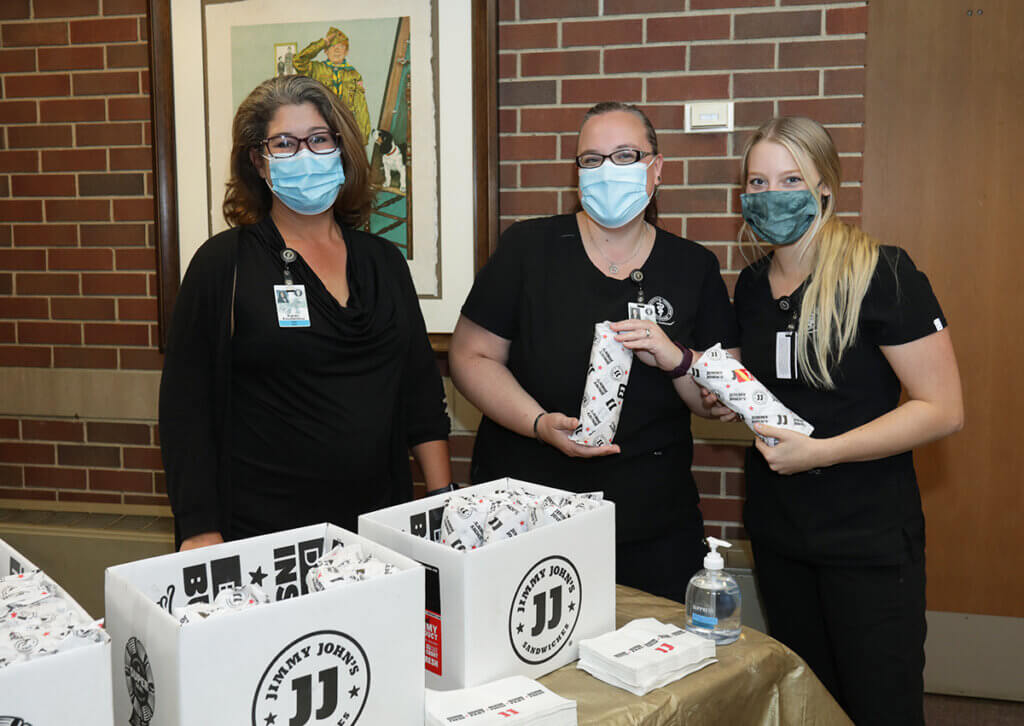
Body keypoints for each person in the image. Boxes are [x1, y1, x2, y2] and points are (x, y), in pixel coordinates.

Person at [449, 102, 739, 603]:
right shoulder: (529, 248)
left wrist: (677, 359)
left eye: (626, 155)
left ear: (657, 168)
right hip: (527, 507)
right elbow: (471, 357)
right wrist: (540, 423)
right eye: (592, 159)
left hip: (651, 521)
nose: (608, 171)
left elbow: (722, 399)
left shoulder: (693, 267)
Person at [729, 116, 964, 725]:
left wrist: (821, 451)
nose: (769, 194)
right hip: (781, 537)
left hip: (868, 540)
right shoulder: (752, 287)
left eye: (789, 178)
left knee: (880, 706)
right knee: (811, 704)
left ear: (825, 188)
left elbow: (943, 409)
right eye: (757, 180)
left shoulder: (881, 273)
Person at [159, 75, 451, 551]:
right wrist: (198, 529)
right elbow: (185, 409)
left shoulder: (383, 262)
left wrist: (441, 502)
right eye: (284, 144)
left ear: (341, 147)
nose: (305, 154)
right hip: (262, 538)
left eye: (318, 139)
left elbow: (419, 391)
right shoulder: (223, 264)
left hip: (379, 535)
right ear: (259, 160)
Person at [293, 27, 372, 146]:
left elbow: (360, 106)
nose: (337, 50)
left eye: (341, 47)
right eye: (332, 46)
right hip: (320, 124)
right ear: (325, 51)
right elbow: (298, 61)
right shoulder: (316, 69)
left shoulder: (353, 75)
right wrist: (322, 43)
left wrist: (362, 137)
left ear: (346, 52)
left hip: (344, 128)